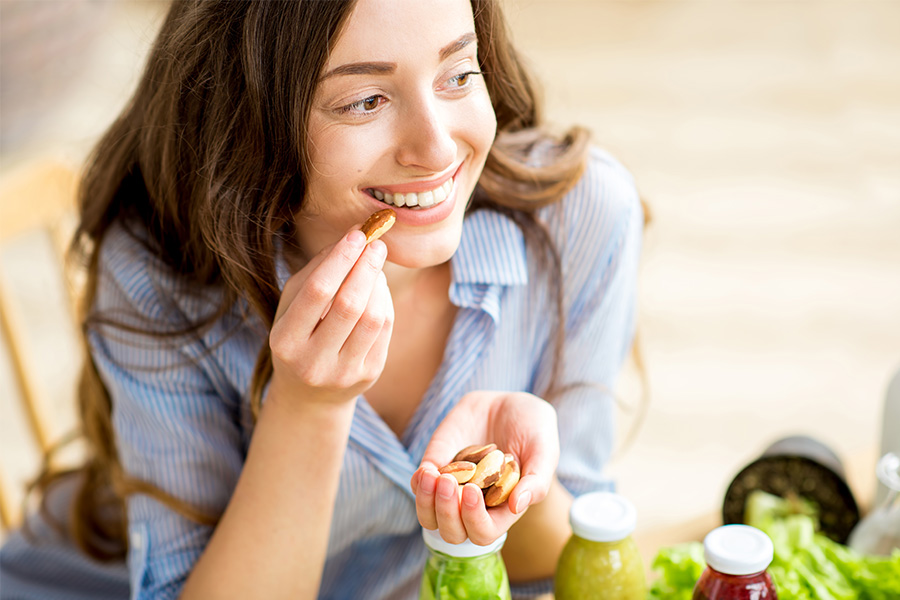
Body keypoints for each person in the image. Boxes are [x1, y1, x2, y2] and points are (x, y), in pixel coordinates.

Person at [0, 1, 644, 598]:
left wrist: (504, 482)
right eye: (365, 100)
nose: (438, 148)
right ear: (245, 118)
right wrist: (307, 406)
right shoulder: (158, 272)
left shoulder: (580, 220)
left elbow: (554, 568)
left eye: (458, 74)